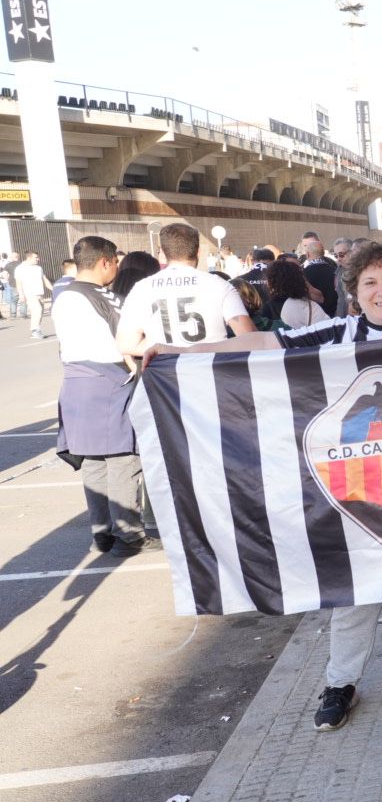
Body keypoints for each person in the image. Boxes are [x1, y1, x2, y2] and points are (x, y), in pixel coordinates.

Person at [148, 243, 382, 731]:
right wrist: (185, 353)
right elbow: (264, 345)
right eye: (370, 283)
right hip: (368, 490)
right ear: (355, 292)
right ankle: (340, 682)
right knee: (358, 586)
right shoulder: (338, 334)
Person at [53, 236, 158, 557]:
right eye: (114, 262)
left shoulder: (64, 294)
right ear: (105, 262)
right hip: (109, 382)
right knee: (124, 460)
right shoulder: (100, 296)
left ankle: (102, 533)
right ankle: (129, 536)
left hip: (76, 382)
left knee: (93, 461)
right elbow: (122, 342)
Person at [116, 223, 256, 357]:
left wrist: (165, 347)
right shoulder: (220, 285)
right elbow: (249, 337)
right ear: (198, 251)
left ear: (163, 254)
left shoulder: (141, 289)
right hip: (211, 370)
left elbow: (126, 345)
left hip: (165, 375)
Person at [299, 232, 340, 317]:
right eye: (305, 245)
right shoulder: (335, 270)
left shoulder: (302, 273)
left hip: (314, 315)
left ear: (307, 254)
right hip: (334, 312)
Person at [14, 250, 45, 338]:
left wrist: (53, 288)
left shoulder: (38, 268)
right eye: (36, 257)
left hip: (40, 292)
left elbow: (44, 278)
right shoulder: (20, 268)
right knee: (37, 310)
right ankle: (35, 330)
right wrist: (21, 294)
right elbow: (18, 282)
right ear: (29, 258)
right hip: (29, 293)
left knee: (40, 311)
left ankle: (36, 329)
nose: (38, 259)